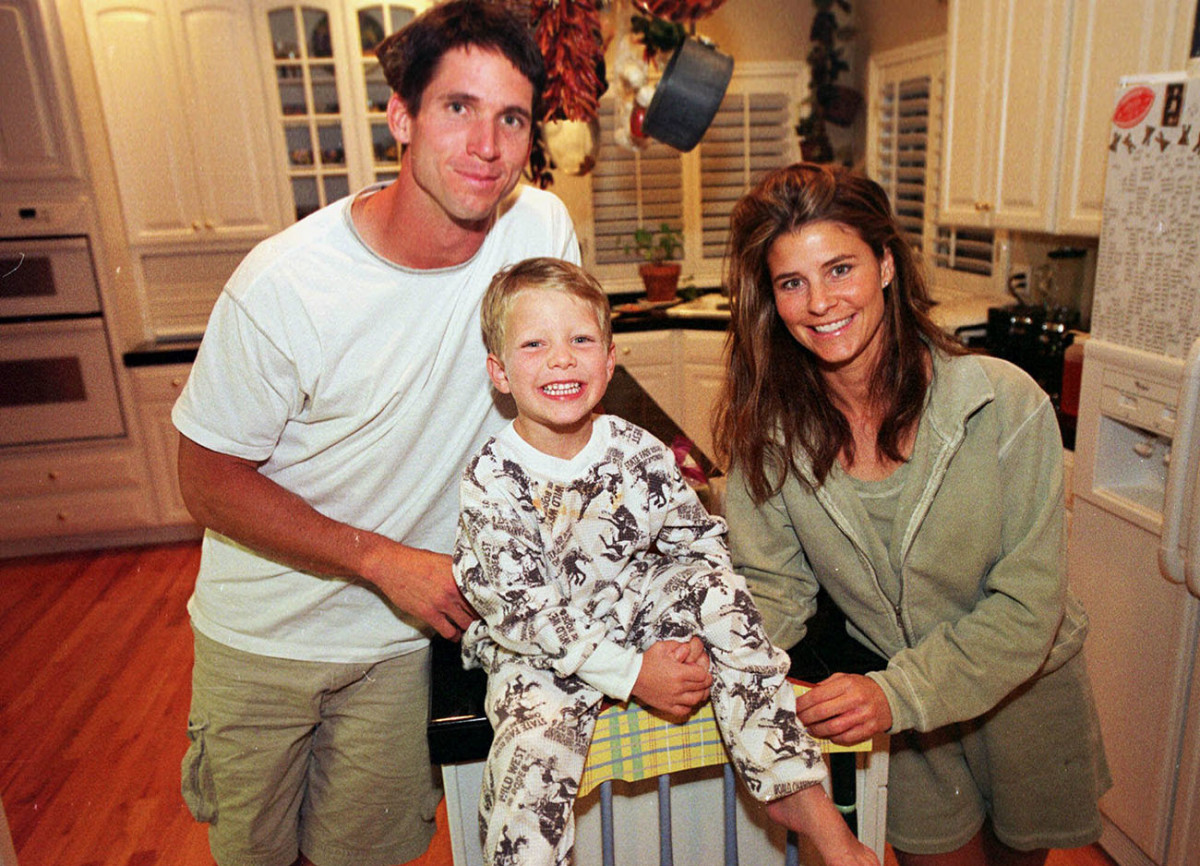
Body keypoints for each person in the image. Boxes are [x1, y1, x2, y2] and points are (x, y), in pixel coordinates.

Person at [171, 3, 580, 864]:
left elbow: (553, 397)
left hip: (401, 645)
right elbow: (205, 480)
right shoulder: (287, 285)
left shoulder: (539, 231)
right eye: (458, 108)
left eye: (511, 117)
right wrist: (380, 558)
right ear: (401, 117)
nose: (487, 145)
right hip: (265, 637)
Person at [715, 162, 1111, 866]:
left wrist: (897, 693)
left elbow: (1028, 604)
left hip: (1024, 693)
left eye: (840, 269)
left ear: (887, 264)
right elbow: (773, 592)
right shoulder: (766, 436)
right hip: (909, 718)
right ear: (771, 301)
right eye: (792, 283)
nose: (819, 303)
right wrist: (702, 657)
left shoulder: (1004, 404)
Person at [453, 256, 879, 866]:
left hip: (630, 612)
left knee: (720, 593)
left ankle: (799, 795)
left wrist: (694, 638)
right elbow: (525, 612)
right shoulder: (492, 477)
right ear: (499, 373)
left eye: (580, 340)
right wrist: (635, 676)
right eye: (534, 344)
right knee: (533, 745)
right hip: (537, 647)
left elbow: (697, 541)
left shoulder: (635, 447)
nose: (562, 358)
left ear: (609, 359)